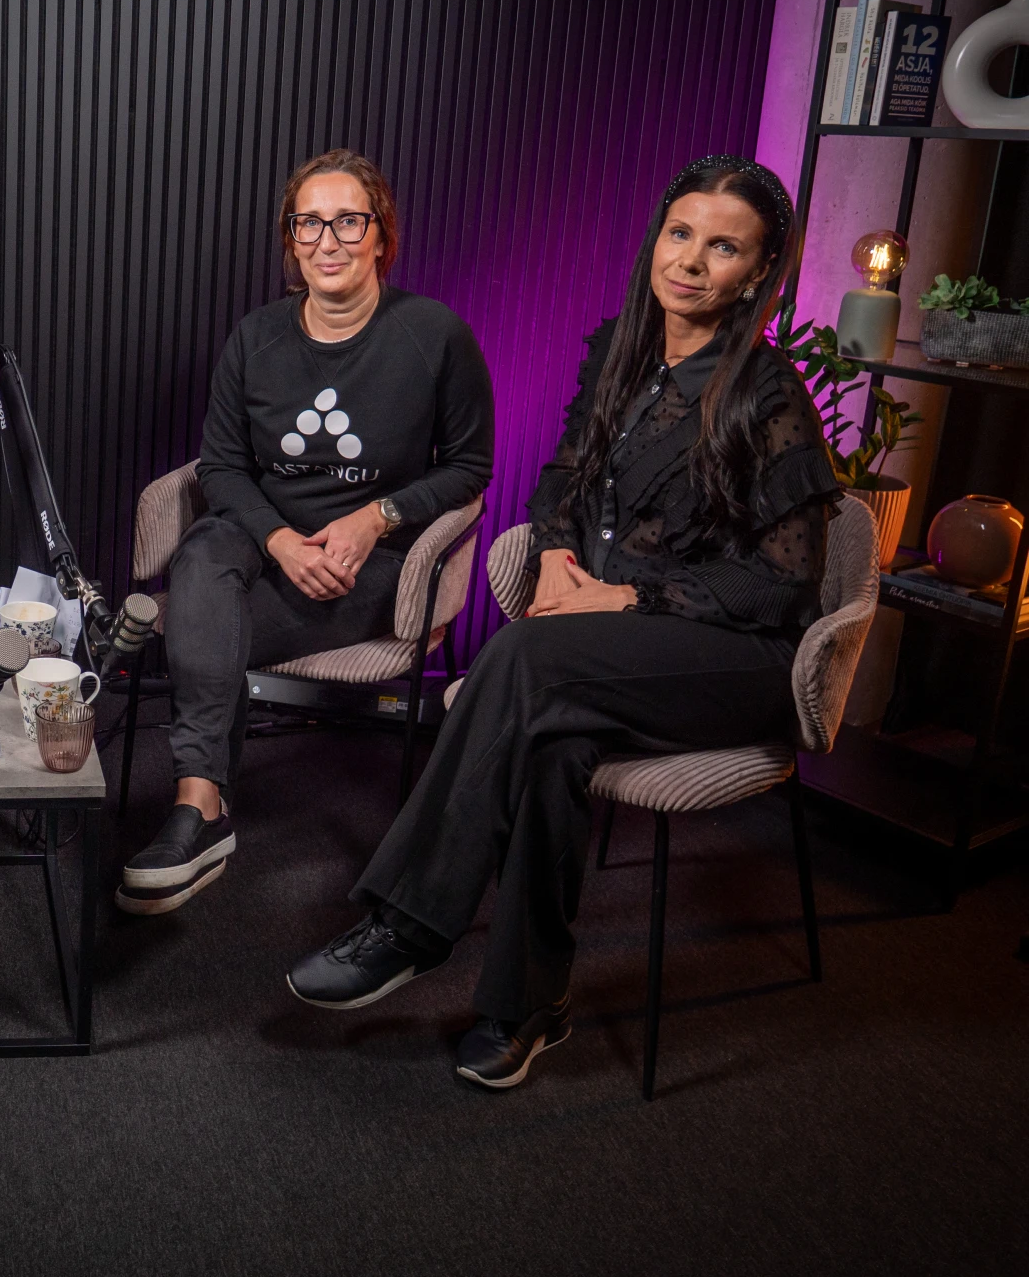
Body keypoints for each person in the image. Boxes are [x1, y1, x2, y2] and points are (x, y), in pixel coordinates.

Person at [287, 154, 840, 1089]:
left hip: (737, 660)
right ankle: (529, 1005)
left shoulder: (766, 391)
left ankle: (410, 924)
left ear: (756, 273)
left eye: (723, 248)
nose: (691, 261)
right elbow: (564, 483)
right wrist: (551, 554)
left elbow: (785, 586)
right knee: (550, 743)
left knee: (525, 659)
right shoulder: (622, 352)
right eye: (680, 234)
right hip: (617, 655)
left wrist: (626, 598)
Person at [119, 149, 495, 915]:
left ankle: (198, 813)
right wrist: (280, 541)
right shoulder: (256, 337)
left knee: (199, 622)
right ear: (290, 240)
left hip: (372, 566)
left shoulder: (434, 336)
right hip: (264, 544)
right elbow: (222, 468)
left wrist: (375, 517)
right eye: (308, 223)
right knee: (203, 551)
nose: (328, 240)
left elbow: (470, 467)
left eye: (348, 221)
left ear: (382, 235)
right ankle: (203, 801)